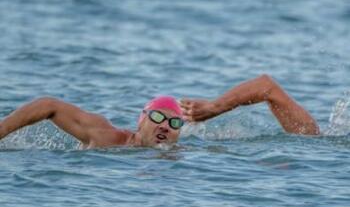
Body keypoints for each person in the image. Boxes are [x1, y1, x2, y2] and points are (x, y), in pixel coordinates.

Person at [0, 75, 319, 149]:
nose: (164, 125)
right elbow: (47, 106)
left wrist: (216, 107)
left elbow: (266, 85)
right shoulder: (108, 137)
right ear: (140, 120)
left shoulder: (191, 153)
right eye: (156, 117)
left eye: (173, 121)